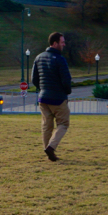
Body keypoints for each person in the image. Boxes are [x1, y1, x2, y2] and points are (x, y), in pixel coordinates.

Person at [30, 31, 72, 162]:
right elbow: (66, 80)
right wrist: (67, 92)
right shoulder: (60, 59)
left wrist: (42, 88)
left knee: (46, 125)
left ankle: (47, 149)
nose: (64, 44)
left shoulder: (38, 57)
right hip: (58, 98)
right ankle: (51, 147)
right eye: (62, 42)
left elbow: (34, 79)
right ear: (55, 43)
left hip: (43, 98)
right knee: (63, 123)